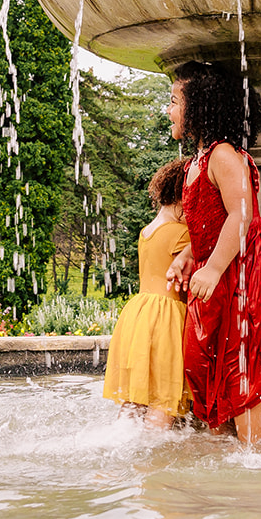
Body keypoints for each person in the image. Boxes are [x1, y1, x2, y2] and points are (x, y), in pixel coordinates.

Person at [164, 61, 261, 444]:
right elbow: (207, 222)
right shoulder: (195, 163)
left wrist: (214, 268)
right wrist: (187, 257)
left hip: (240, 277)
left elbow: (243, 214)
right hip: (214, 274)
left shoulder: (222, 156)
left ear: (199, 108)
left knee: (240, 366)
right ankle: (226, 453)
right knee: (201, 362)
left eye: (173, 101)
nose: (168, 111)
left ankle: (253, 458)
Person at [101, 158, 191, 428]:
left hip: (138, 316)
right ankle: (154, 452)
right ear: (182, 197)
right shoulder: (181, 233)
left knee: (135, 397)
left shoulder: (146, 231)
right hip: (166, 318)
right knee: (165, 395)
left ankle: (120, 440)